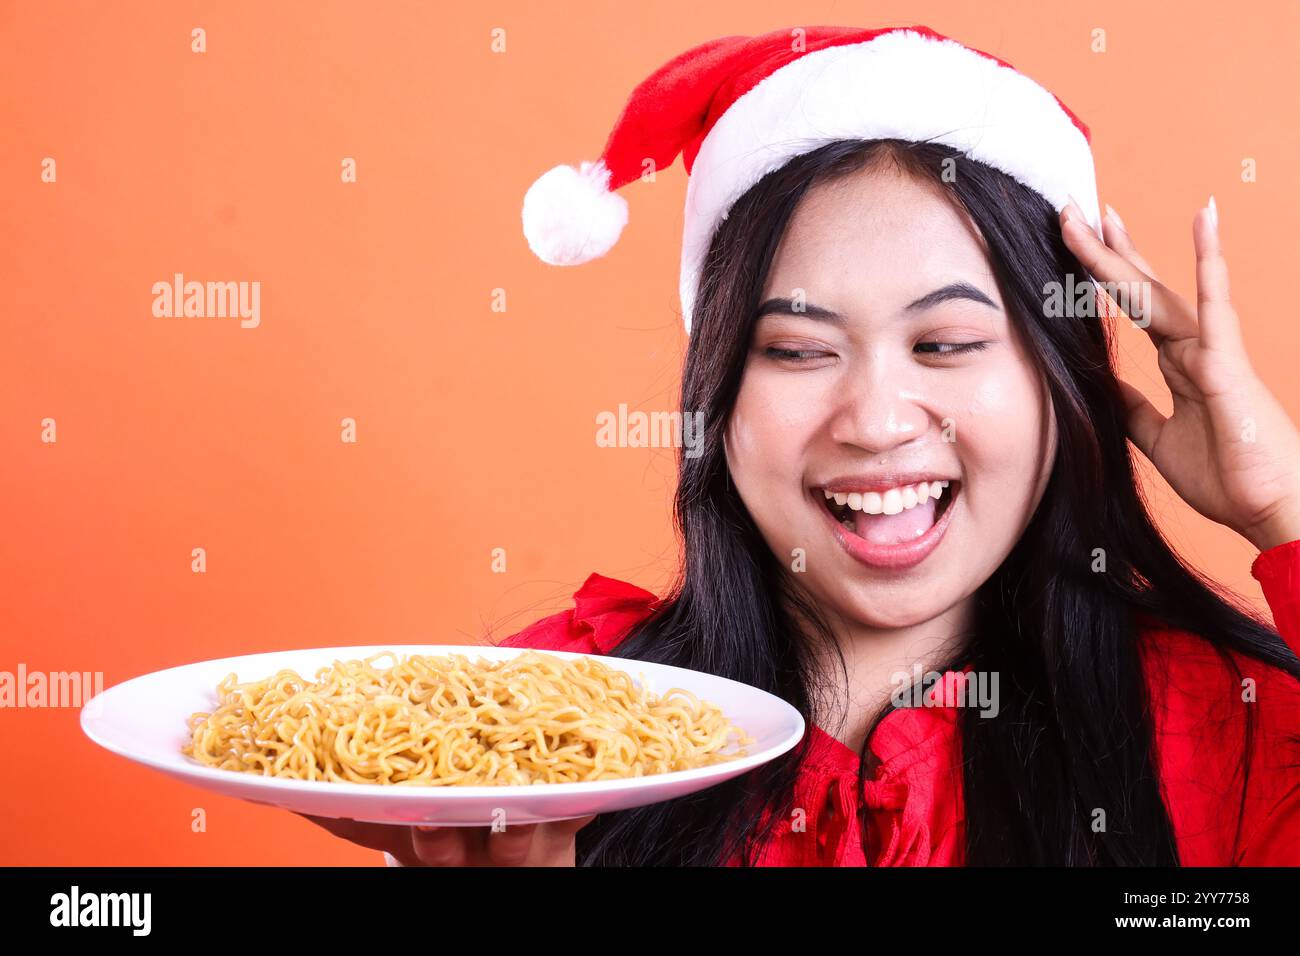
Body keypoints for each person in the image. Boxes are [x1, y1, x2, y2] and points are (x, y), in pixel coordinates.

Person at [302, 24, 1300, 865]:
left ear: (1061, 378)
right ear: (719, 396)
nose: (874, 420)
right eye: (798, 348)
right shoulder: (557, 718)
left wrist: (1282, 511)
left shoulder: (1230, 727)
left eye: (945, 342)